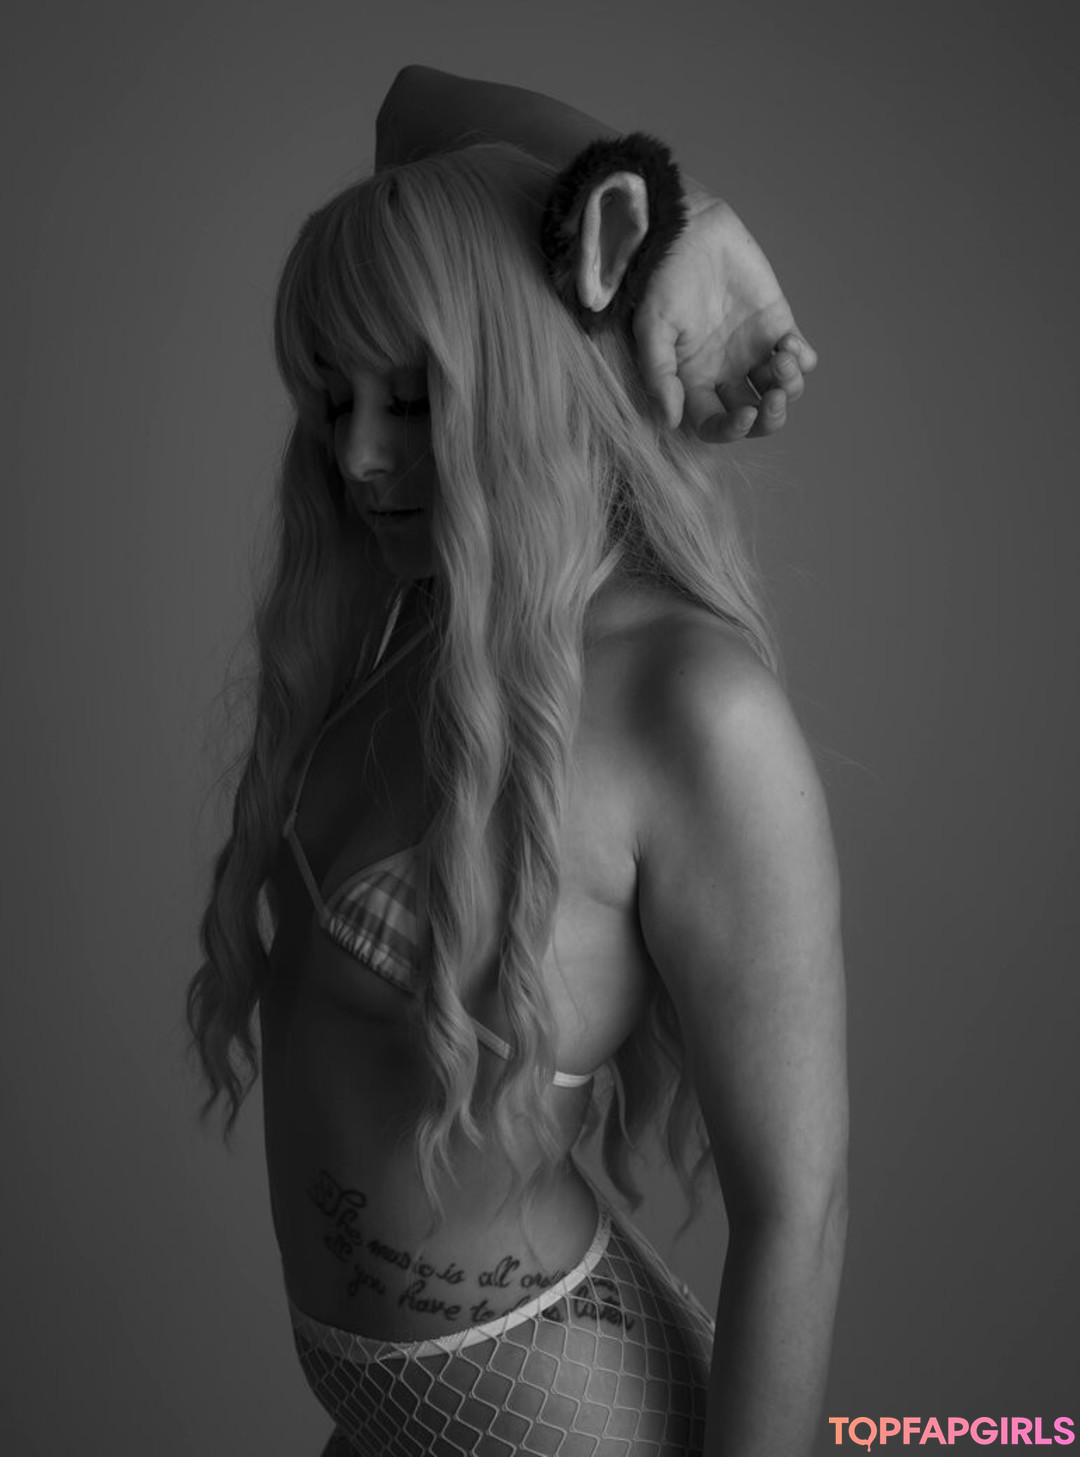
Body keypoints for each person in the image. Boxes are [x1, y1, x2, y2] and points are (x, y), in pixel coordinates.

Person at [187, 66, 847, 1457]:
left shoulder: (694, 706)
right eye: (334, 399)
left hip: (561, 1420)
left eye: (416, 399)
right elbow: (411, 107)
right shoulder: (443, 633)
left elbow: (800, 1206)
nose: (360, 458)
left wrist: (656, 229)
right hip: (399, 1417)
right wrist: (680, 218)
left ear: (528, 380)